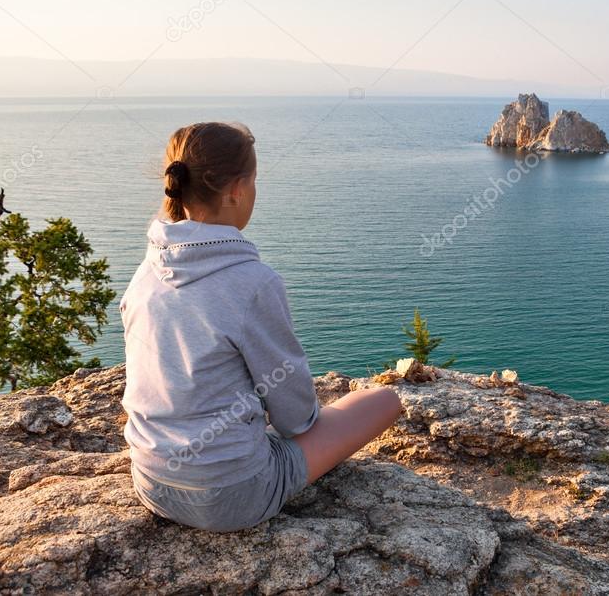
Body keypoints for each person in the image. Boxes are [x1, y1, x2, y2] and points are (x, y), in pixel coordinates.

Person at [120, 122, 402, 532]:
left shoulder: (146, 270)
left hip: (151, 483)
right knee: (384, 400)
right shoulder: (253, 282)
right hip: (232, 498)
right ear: (237, 189)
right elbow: (297, 419)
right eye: (254, 182)